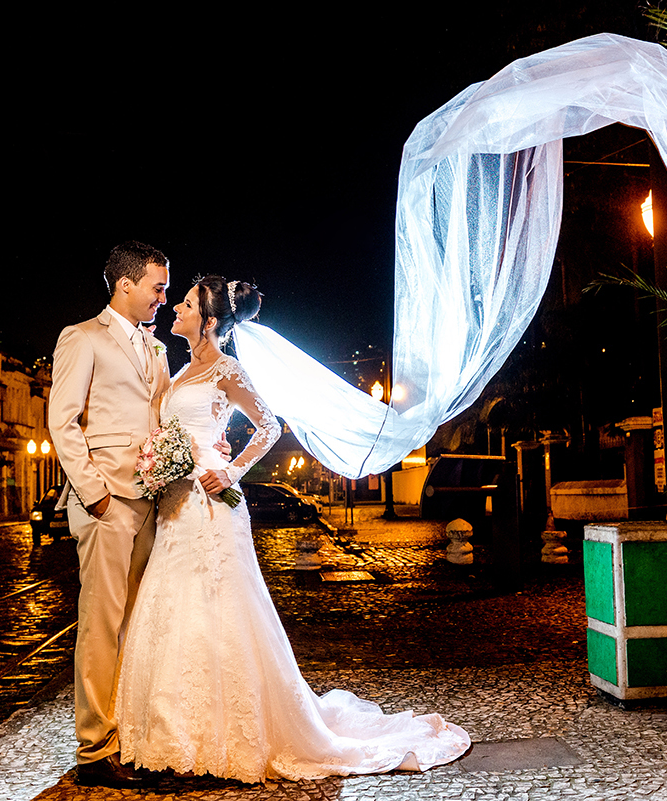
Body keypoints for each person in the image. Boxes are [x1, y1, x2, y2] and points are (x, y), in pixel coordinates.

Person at [116, 275, 471, 783]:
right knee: (175, 610)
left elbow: (270, 426)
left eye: (188, 304)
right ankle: (176, 734)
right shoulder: (180, 372)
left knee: (219, 613)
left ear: (210, 321)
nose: (177, 308)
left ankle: (225, 736)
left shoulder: (226, 368)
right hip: (177, 510)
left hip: (212, 508)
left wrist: (231, 469)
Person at [48, 240, 173, 788]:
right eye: (158, 287)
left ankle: (132, 733)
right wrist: (95, 494)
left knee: (139, 624)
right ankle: (95, 749)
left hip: (153, 500)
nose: (163, 299)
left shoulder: (158, 349)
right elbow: (63, 420)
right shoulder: (82, 338)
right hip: (108, 502)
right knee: (102, 624)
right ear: (126, 284)